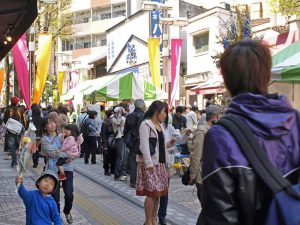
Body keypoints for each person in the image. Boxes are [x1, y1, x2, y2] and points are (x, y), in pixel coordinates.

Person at [198, 40, 300, 225]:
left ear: (226, 79)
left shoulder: (221, 135)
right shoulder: (296, 122)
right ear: (267, 74)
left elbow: (220, 216)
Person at [136, 100, 175, 225]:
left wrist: (170, 144)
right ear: (156, 111)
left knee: (158, 194)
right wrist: (149, 164)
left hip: (161, 163)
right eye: (163, 112)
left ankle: (154, 219)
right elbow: (144, 146)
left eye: (166, 113)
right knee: (151, 193)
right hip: (150, 164)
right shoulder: (145, 125)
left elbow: (160, 146)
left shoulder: (160, 125)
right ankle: (148, 221)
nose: (165, 115)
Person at [41, 117, 75, 224]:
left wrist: (71, 154)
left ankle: (67, 211)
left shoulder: (63, 136)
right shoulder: (44, 140)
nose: (52, 125)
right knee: (55, 197)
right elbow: (53, 153)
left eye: (53, 123)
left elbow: (74, 148)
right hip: (52, 170)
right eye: (49, 123)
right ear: (45, 127)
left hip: (67, 169)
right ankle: (57, 218)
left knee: (69, 194)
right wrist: (67, 155)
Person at [189, 104, 223, 203]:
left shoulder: (213, 129)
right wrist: (192, 175)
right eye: (221, 115)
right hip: (203, 176)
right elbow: (195, 155)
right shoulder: (202, 131)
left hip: (211, 174)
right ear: (216, 116)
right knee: (208, 208)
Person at [123, 99, 146, 188]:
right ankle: (142, 181)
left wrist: (127, 141)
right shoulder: (145, 116)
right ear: (142, 106)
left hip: (132, 141)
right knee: (143, 161)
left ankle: (133, 181)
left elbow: (125, 130)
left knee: (133, 161)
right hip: (142, 141)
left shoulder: (129, 116)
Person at [3, 96, 28, 167]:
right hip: (18, 130)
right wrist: (24, 128)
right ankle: (17, 161)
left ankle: (14, 162)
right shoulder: (21, 110)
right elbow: (24, 120)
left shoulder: (7, 110)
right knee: (18, 145)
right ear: (17, 102)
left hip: (10, 130)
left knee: (12, 146)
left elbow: (5, 120)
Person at [111, 106, 127, 181]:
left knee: (120, 157)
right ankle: (118, 174)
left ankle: (119, 174)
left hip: (118, 138)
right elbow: (121, 127)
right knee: (121, 158)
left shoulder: (113, 118)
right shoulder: (120, 119)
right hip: (120, 138)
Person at [101, 108, 116, 176]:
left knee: (113, 156)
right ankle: (106, 170)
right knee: (107, 157)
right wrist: (104, 145)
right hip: (107, 142)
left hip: (114, 142)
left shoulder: (114, 123)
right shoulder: (105, 123)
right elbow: (103, 135)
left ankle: (113, 170)